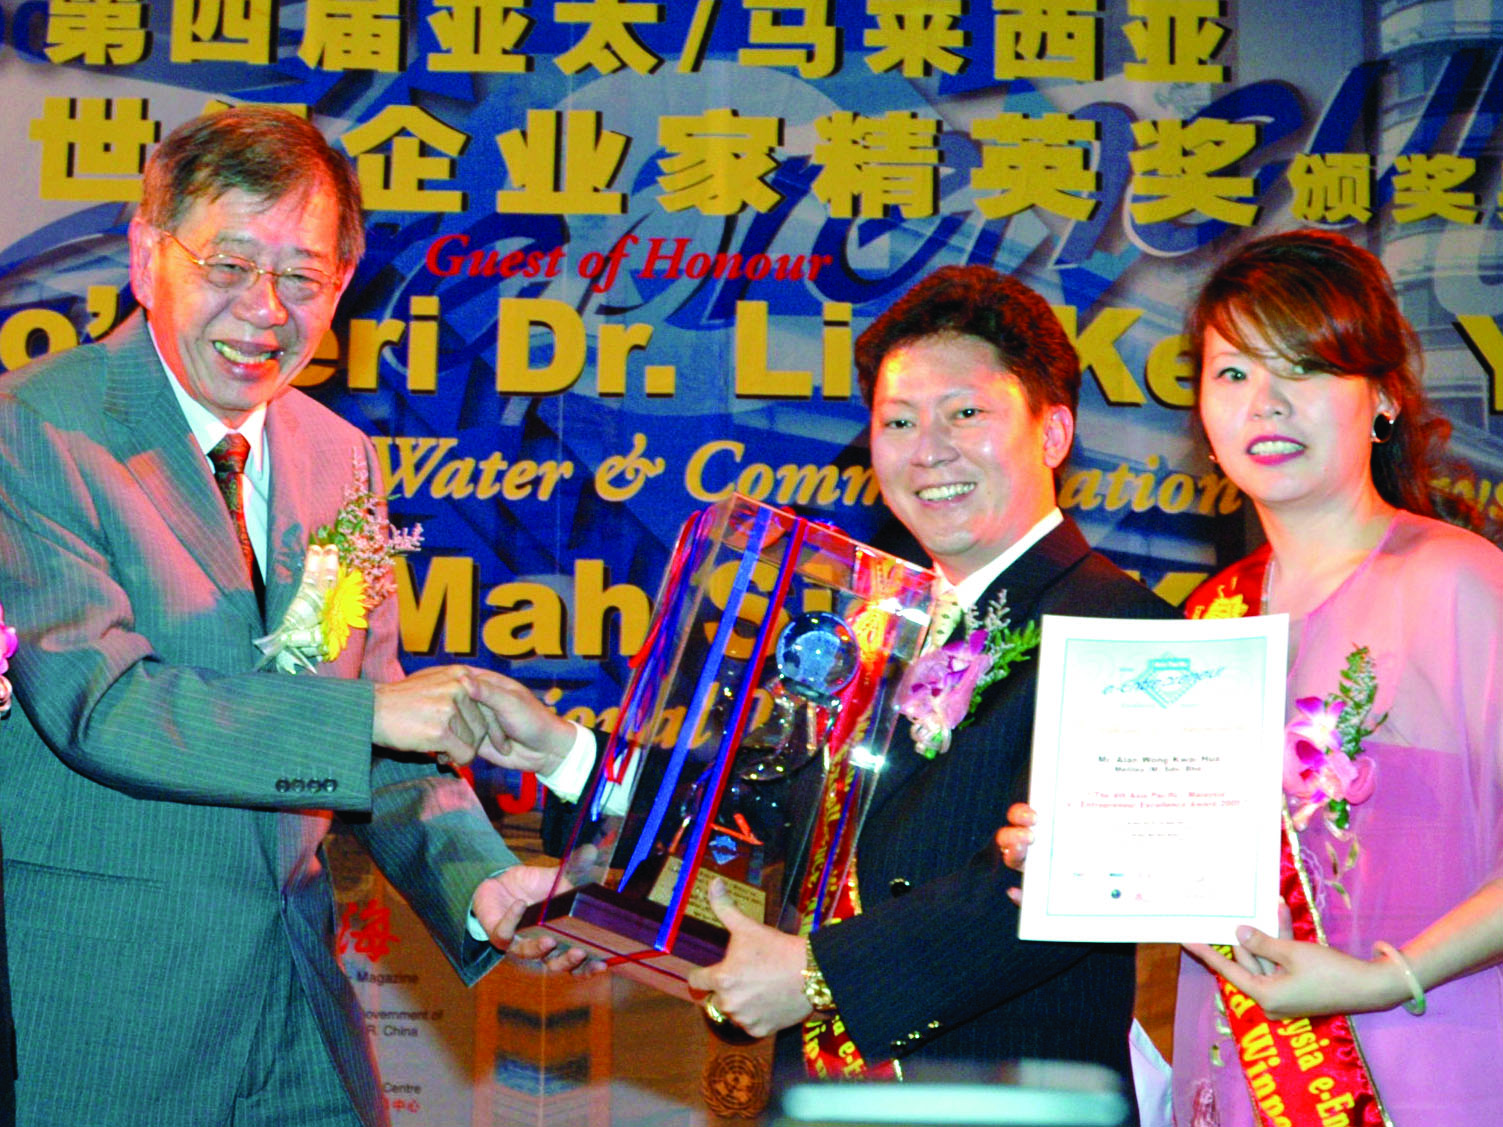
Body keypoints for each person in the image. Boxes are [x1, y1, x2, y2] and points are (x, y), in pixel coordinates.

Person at [0, 106, 582, 1127]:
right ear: (146, 255)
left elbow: (374, 730)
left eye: (303, 277)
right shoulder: (37, 422)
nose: (264, 309)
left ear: (343, 287)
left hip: (300, 1014)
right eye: (229, 265)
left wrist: (480, 883)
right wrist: (372, 716)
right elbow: (101, 705)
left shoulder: (337, 458)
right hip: (104, 1005)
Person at [479, 265, 1175, 1105]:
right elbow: (768, 814)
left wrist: (817, 974)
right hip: (832, 1094)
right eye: (897, 420)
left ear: (1053, 431)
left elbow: (1065, 893)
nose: (928, 449)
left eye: (964, 413)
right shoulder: (884, 629)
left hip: (1007, 1095)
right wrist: (569, 770)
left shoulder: (1129, 633)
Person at [1002, 229, 1503, 1126]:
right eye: (1231, 373)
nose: (1263, 403)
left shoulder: (1458, 582)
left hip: (1421, 1072)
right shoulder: (1211, 616)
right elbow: (1192, 871)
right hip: (1237, 1074)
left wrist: (1386, 976)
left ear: (1382, 396)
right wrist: (1078, 849)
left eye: (1301, 369)